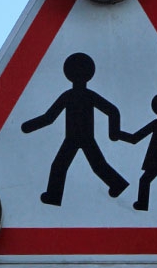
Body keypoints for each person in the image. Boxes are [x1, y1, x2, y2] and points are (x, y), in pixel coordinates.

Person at [21, 52, 129, 206]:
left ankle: (54, 196)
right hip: (79, 138)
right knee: (93, 165)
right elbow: (112, 111)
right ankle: (117, 184)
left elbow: (49, 117)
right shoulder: (84, 95)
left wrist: (29, 126)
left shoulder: (70, 95)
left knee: (65, 166)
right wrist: (113, 132)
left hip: (77, 138)